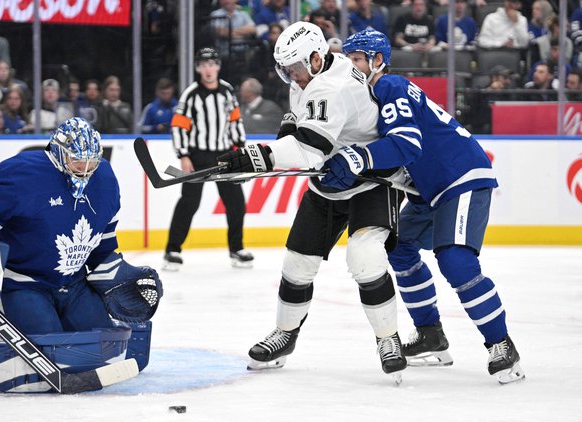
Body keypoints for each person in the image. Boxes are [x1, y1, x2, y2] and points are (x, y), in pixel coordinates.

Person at [321, 29, 525, 384]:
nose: (349, 67)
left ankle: (502, 345)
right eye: (346, 59)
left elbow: (406, 144)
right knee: (400, 251)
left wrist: (357, 157)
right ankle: (431, 335)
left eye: (356, 59)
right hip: (427, 188)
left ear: (377, 61)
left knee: (456, 260)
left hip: (458, 175)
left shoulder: (389, 87)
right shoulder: (364, 99)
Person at [217, 22, 407, 382]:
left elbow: (307, 150)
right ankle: (285, 335)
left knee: (365, 260)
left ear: (316, 57)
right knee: (296, 264)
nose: (292, 77)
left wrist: (258, 156)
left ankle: (388, 338)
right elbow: (299, 124)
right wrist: (276, 144)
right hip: (330, 182)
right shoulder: (309, 76)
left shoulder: (330, 86)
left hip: (371, 179)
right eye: (286, 70)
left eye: (296, 69)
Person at [0, 117, 163, 335]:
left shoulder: (104, 177)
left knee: (103, 341)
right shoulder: (23, 174)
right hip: (21, 282)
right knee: (48, 345)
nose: (85, 168)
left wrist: (116, 270)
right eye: (77, 160)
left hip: (74, 282)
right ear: (58, 153)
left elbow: (102, 240)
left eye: (91, 161)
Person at [163, 47, 253, 271]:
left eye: (212, 64)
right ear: (197, 68)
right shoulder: (191, 94)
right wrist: (183, 155)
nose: (208, 69)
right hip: (197, 155)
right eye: (203, 65)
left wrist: (240, 147)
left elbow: (235, 121)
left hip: (224, 155)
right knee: (189, 203)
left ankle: (236, 249)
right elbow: (178, 126)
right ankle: (172, 250)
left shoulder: (227, 91)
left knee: (235, 203)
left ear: (218, 66)